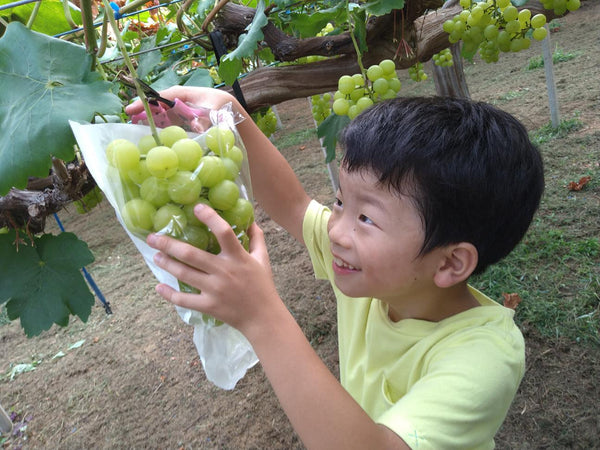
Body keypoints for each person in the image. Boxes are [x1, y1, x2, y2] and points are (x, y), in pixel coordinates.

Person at [125, 87, 544, 449]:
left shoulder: (486, 355)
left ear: (451, 261)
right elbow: (291, 204)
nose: (337, 230)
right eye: (341, 201)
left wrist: (261, 317)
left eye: (367, 219)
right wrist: (229, 110)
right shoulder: (376, 277)